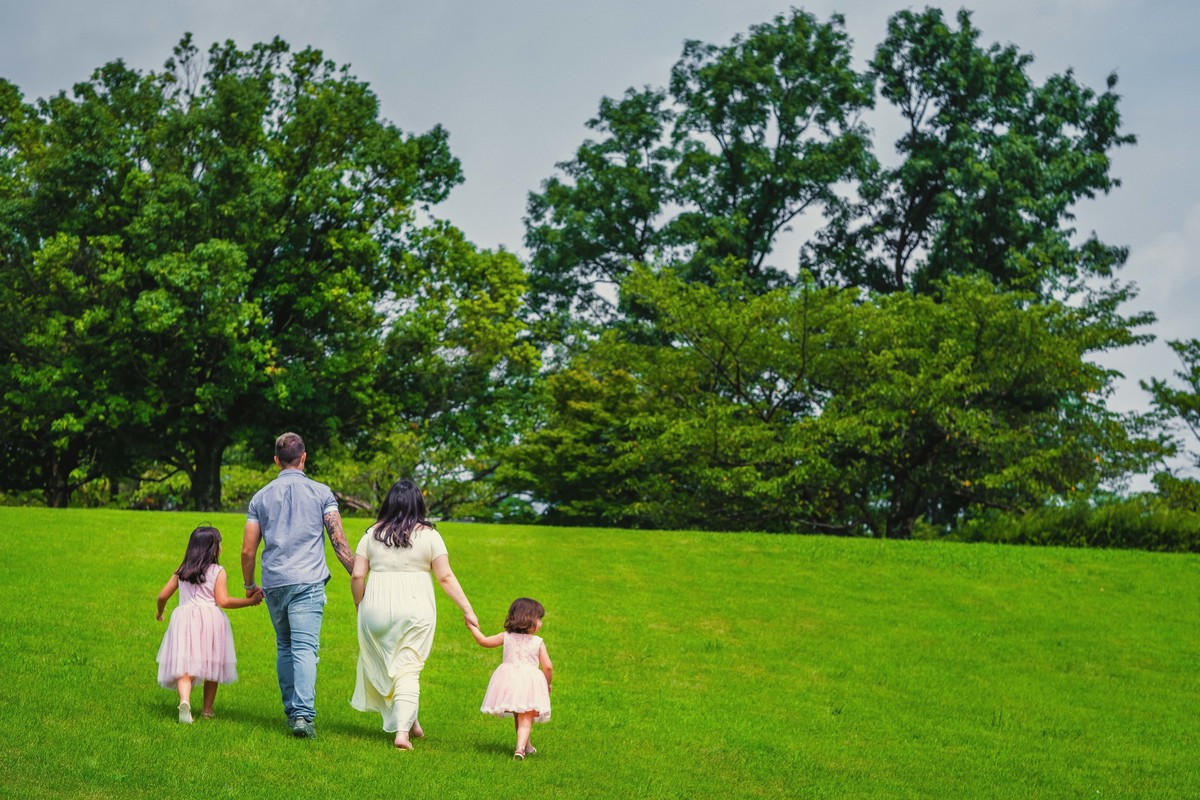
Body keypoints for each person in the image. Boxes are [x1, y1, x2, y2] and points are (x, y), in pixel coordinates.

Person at [350, 478, 479, 750]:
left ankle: (411, 721)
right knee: (408, 667)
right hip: (416, 606)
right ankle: (401, 734)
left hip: (376, 607)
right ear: (419, 503)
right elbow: (444, 577)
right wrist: (467, 610)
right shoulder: (430, 536)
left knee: (392, 664)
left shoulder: (370, 534)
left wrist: (359, 605)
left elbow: (358, 575)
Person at [241, 432, 354, 739]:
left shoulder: (260, 497)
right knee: (305, 648)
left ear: (276, 461)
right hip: (308, 581)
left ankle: (292, 712)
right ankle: (303, 715)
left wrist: (250, 584)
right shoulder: (321, 493)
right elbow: (338, 540)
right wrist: (358, 574)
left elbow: (248, 550)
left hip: (275, 582)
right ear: (304, 457)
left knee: (285, 646)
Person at [156, 525, 263, 723]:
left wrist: (160, 612)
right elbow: (222, 601)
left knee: (184, 664)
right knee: (212, 665)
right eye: (219, 543)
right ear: (213, 548)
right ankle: (207, 710)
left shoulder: (181, 571)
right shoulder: (218, 571)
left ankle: (185, 701)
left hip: (184, 619)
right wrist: (249, 602)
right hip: (211, 621)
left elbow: (162, 595)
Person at [468, 597, 554, 759]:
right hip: (529, 682)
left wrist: (473, 628)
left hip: (509, 679)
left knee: (519, 713)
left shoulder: (506, 636)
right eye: (539, 619)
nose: (541, 623)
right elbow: (548, 666)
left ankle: (527, 746)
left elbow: (484, 641)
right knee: (526, 716)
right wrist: (548, 683)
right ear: (529, 619)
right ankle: (520, 749)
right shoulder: (538, 642)